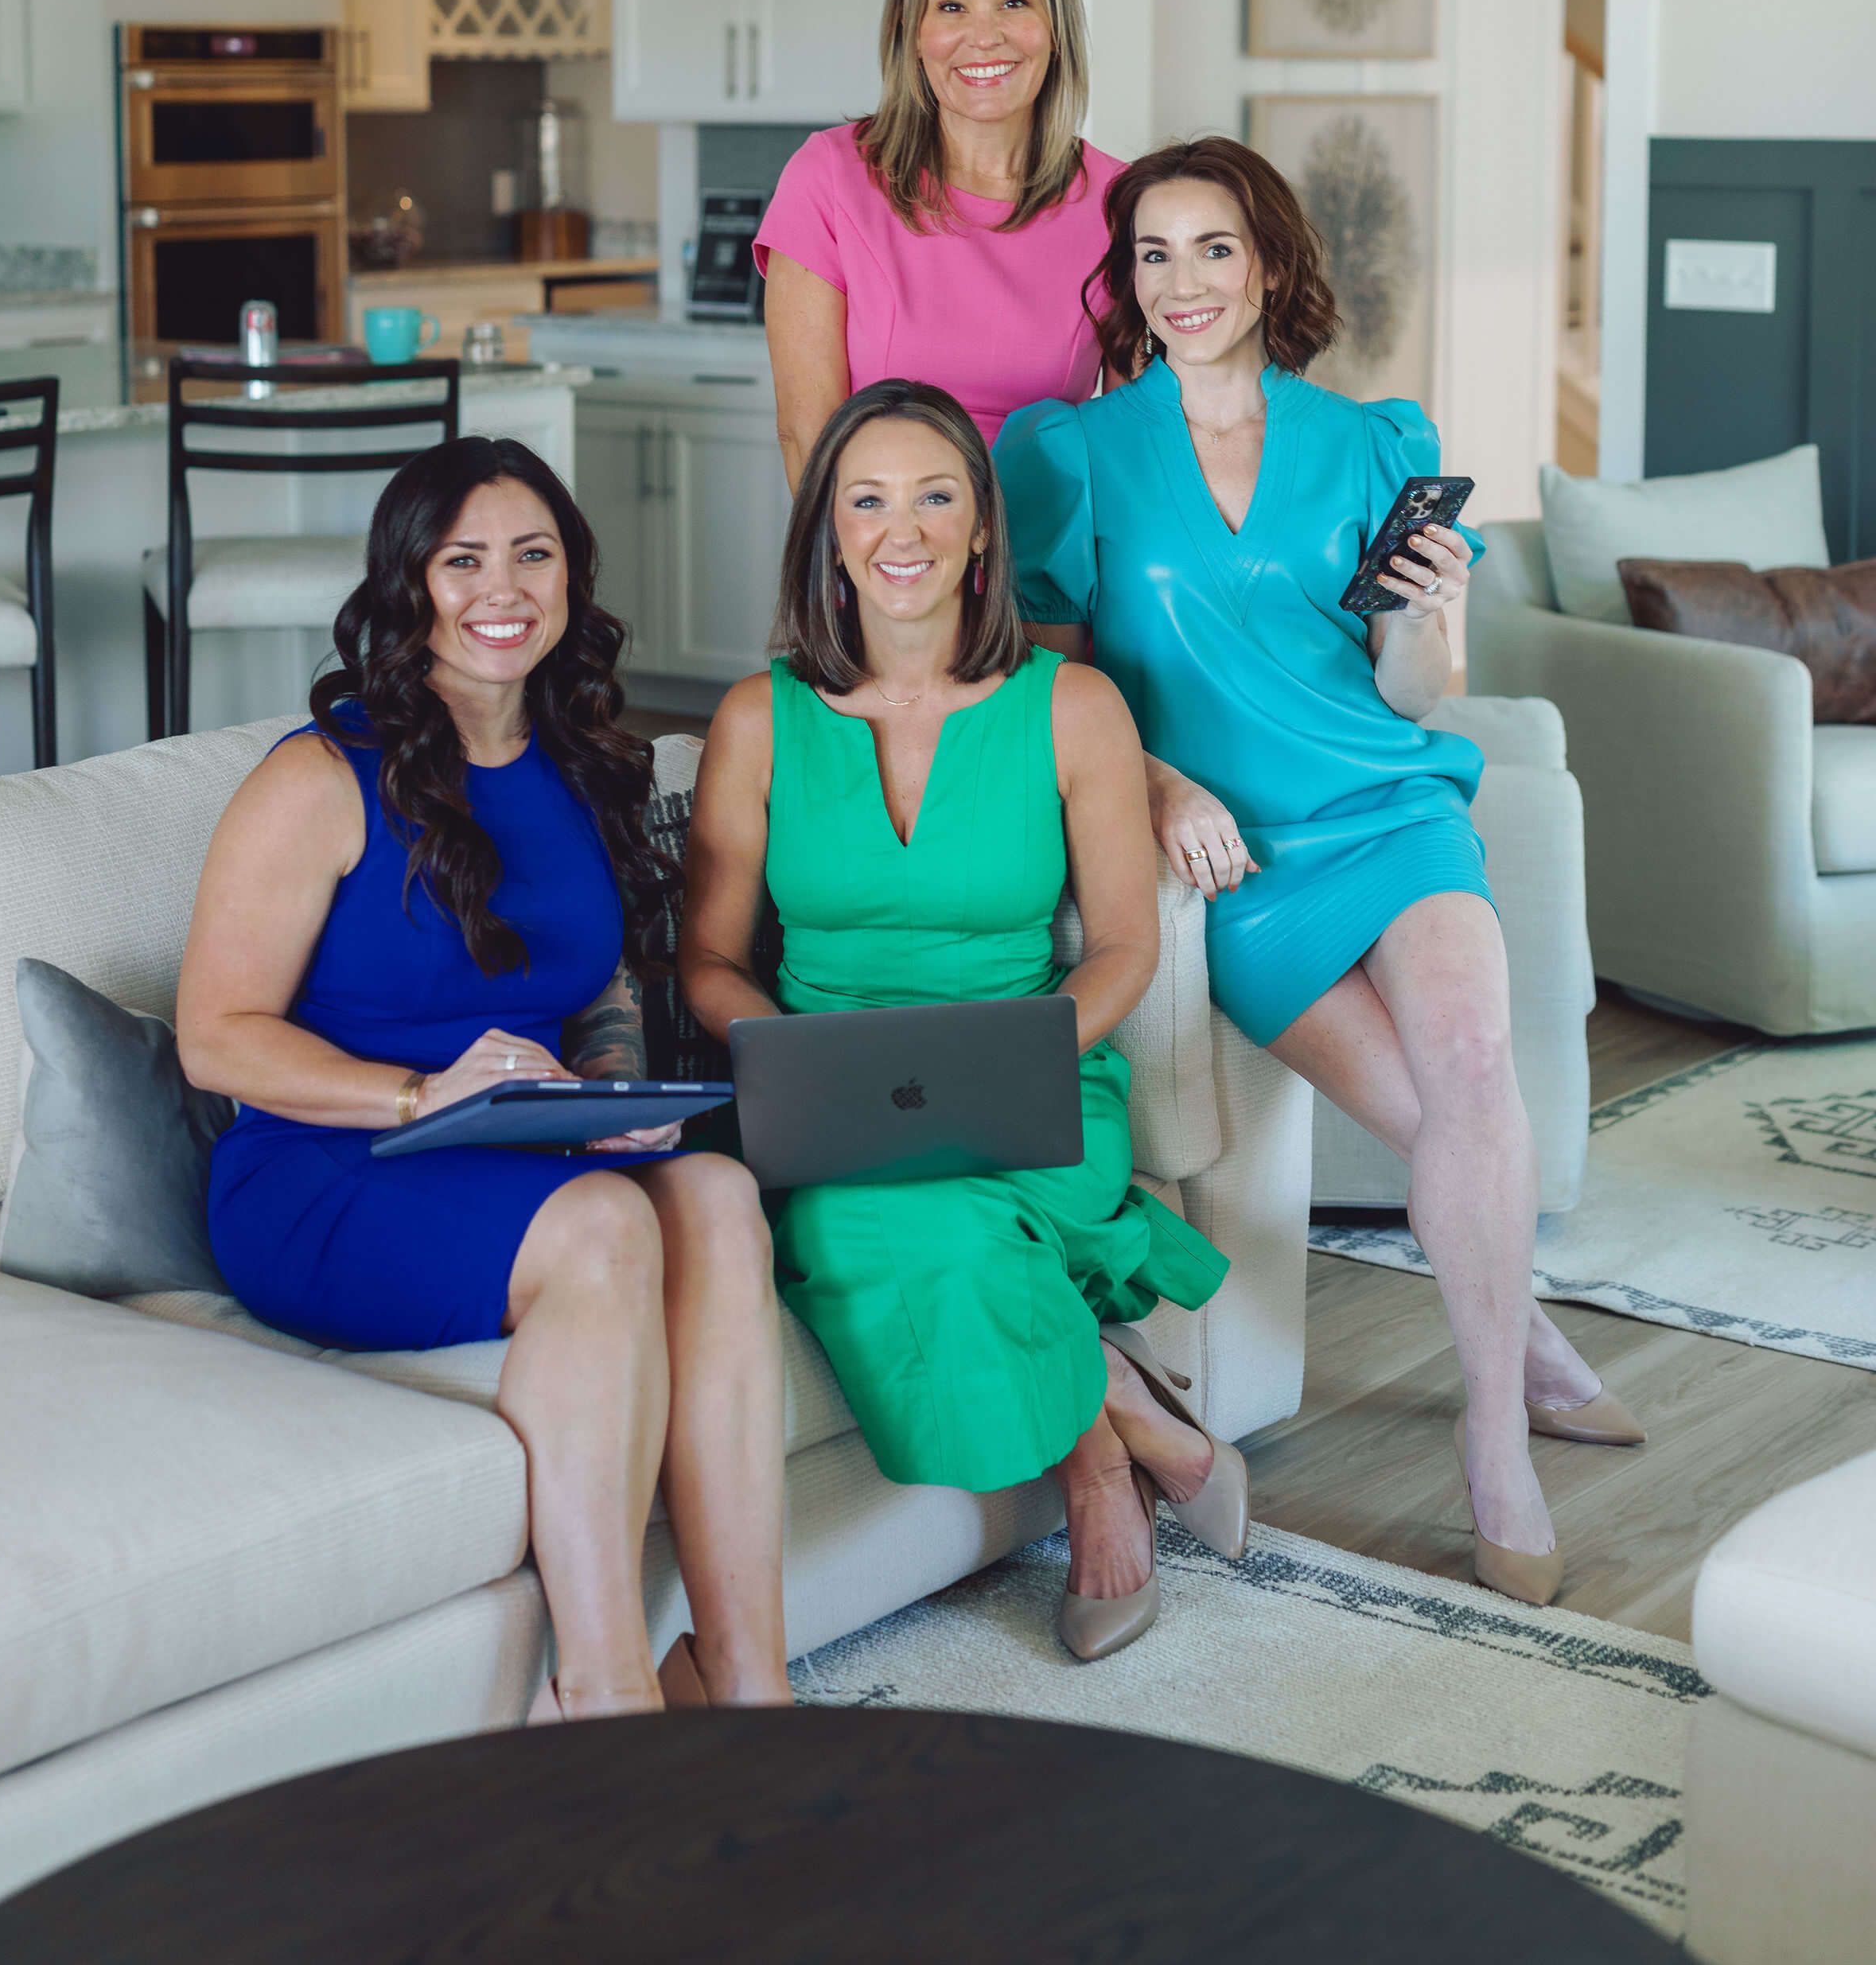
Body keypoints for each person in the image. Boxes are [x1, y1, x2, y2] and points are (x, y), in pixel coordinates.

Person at [995, 137, 1644, 1609]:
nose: (1182, 283)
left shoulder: (1374, 443)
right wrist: (1156, 784)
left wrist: (1440, 609)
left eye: (1212, 249)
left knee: (1473, 1066)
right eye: (1153, 255)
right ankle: (1529, 1343)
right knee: (1436, 1122)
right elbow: (1056, 681)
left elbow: (1417, 691)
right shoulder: (1069, 455)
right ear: (1128, 280)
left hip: (1390, 807)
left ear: (1271, 263)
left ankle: (1493, 1443)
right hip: (1240, 866)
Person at [177, 434, 789, 1721]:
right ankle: (605, 1692)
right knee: (609, 1229)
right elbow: (216, 1037)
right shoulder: (319, 777)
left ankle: (744, 1681)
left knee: (721, 1199)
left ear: (571, 578)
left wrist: (610, 1091)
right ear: (411, 582)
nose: (501, 587)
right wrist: (418, 1096)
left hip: (510, 1152)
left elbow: (592, 988)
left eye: (532, 554)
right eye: (463, 560)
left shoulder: (579, 759)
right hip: (325, 1169)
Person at [679, 376, 1244, 1665]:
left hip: (1031, 1074)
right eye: (867, 501)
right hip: (833, 1098)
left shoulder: (1075, 708)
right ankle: (1116, 1441)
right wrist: (782, 1058)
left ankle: (1103, 1469)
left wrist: (1032, 1047)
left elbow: (1123, 943)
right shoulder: (758, 721)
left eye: (936, 498)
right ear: (828, 531)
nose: (904, 530)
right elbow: (706, 959)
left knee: (959, 1202)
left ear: (983, 529)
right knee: (885, 1215)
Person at [756, 0, 1123, 481]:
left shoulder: (1119, 202)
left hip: (1048, 566)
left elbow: (1134, 439)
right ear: (911, 29)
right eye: (951, 6)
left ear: (1055, 25)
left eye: (1014, 3)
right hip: (886, 557)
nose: (984, 36)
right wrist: (870, 571)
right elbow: (807, 437)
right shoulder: (829, 177)